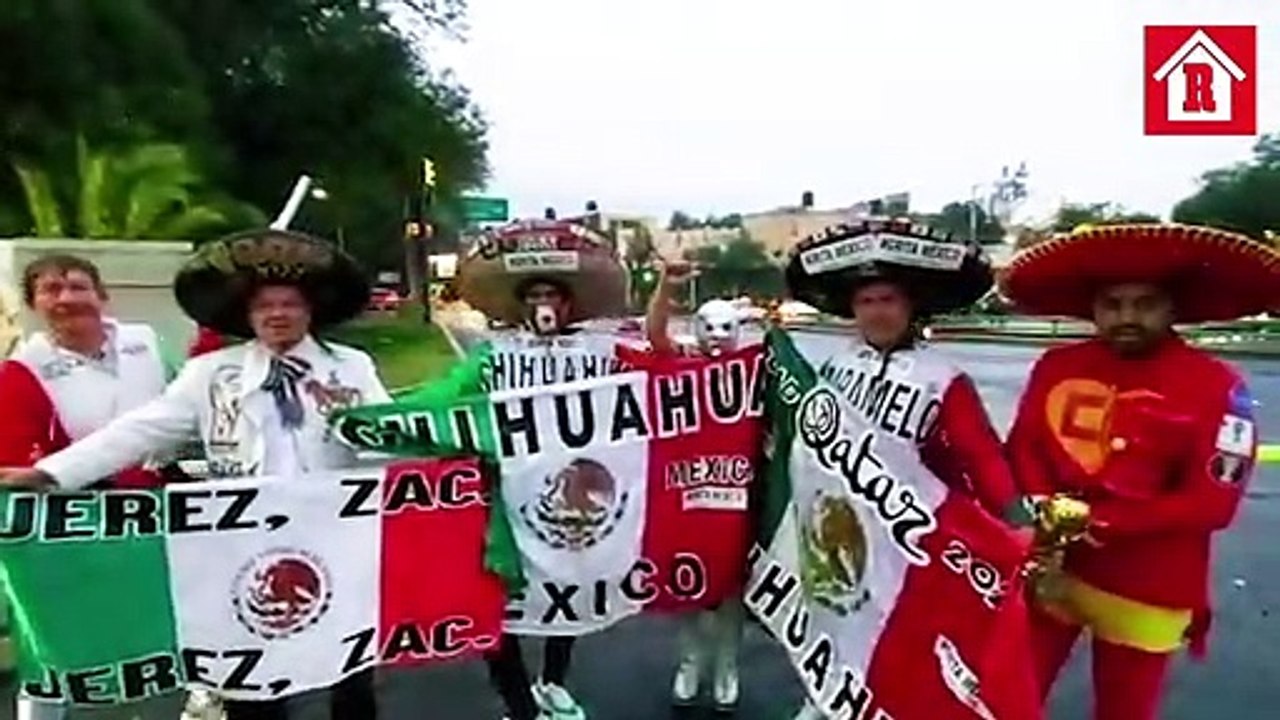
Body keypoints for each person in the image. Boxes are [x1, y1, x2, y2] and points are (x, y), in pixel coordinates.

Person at [0, 229, 392, 720]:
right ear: (247, 315)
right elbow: (140, 429)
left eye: (289, 303)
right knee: (256, 679)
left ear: (309, 310)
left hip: (339, 542)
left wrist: (432, 442)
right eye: (265, 305)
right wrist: (51, 473)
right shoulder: (211, 374)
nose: (277, 314)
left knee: (350, 669)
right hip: (246, 547)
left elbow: (390, 437)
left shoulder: (352, 368)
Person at [1001, 223, 1279, 720]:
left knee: (1126, 710)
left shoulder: (1218, 386)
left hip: (1151, 586)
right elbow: (1022, 447)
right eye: (1112, 304)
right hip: (1049, 570)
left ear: (1173, 308)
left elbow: (1213, 504)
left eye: (1144, 303)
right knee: (1009, 697)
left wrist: (1092, 520)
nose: (1126, 317)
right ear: (1093, 308)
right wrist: (1042, 512)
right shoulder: (1055, 366)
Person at [781, 217, 1029, 720]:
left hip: (906, 535)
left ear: (909, 305)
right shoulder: (833, 368)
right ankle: (825, 697)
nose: (877, 312)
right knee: (833, 615)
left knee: (892, 631)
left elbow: (981, 455)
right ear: (852, 308)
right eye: (867, 301)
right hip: (838, 526)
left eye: (887, 300)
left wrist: (1017, 523)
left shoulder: (943, 377)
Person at [455, 217, 630, 720]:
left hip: (570, 497)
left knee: (567, 584)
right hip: (505, 499)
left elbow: (657, 373)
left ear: (568, 303)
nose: (543, 306)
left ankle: (553, 683)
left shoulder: (599, 352)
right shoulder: (493, 354)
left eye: (552, 295)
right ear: (520, 305)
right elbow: (448, 400)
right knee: (498, 600)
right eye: (533, 297)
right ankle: (516, 701)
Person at [0, 255, 174, 720]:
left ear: (102, 295)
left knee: (160, 636)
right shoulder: (23, 370)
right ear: (33, 304)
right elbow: (15, 463)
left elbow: (184, 403)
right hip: (74, 521)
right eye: (51, 290)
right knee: (54, 637)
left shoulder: (146, 342)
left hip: (155, 516)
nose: (66, 298)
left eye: (77, 286)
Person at [641, 263, 749, 712]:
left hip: (738, 493)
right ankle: (689, 663)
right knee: (686, 582)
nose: (717, 334)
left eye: (726, 327)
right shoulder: (683, 360)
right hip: (686, 492)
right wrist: (666, 288)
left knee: (730, 590)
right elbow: (654, 337)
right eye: (708, 325)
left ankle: (726, 667)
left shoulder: (759, 367)